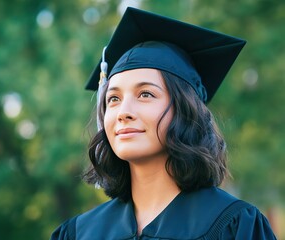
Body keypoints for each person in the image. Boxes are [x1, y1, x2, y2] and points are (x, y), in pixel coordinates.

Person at [50, 7, 277, 240]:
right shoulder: (79, 233)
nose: (123, 112)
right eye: (114, 99)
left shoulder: (235, 225)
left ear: (185, 110)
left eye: (145, 94)